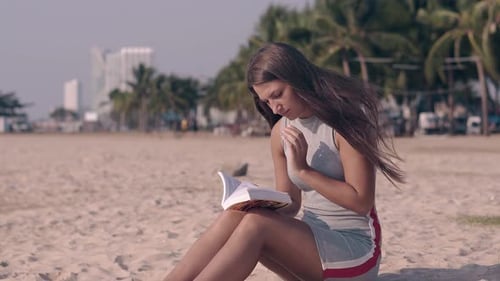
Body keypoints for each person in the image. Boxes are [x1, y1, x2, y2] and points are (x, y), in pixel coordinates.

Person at [163, 42, 405, 281]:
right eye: (266, 102)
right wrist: (259, 200)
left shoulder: (345, 121)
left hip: (356, 252)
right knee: (237, 216)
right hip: (308, 245)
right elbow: (290, 206)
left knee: (257, 225)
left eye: (277, 95)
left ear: (297, 78)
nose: (275, 108)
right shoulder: (281, 131)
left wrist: (304, 171)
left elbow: (361, 201)